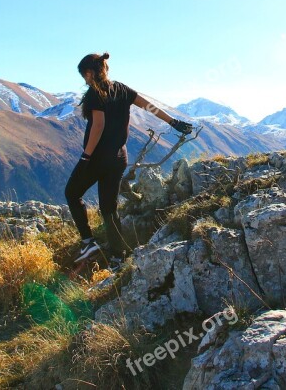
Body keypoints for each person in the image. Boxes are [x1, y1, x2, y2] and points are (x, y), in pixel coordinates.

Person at [65, 52, 194, 269]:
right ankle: (118, 256)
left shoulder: (96, 92)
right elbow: (148, 106)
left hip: (98, 158)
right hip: (119, 158)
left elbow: (98, 126)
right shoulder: (122, 89)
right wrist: (174, 122)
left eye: (84, 76)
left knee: (72, 193)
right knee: (109, 207)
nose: (85, 80)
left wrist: (86, 156)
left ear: (89, 72)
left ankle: (88, 242)